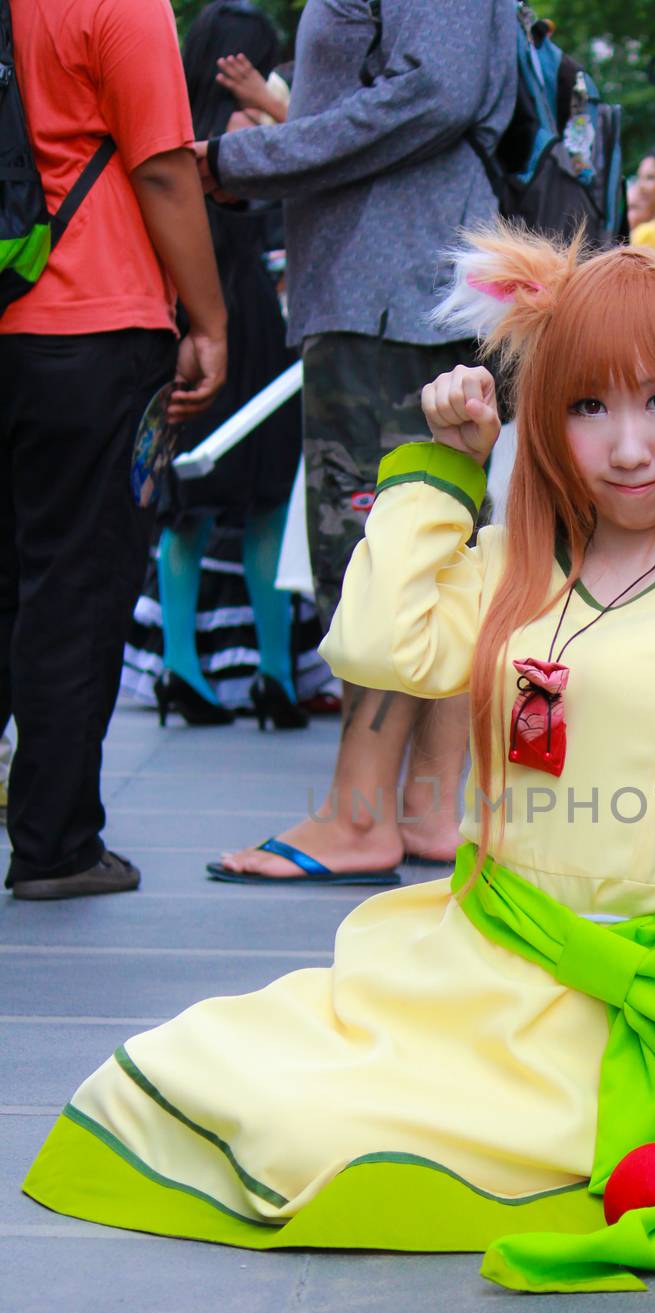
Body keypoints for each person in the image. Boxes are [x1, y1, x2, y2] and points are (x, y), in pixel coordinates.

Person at [23, 215, 655, 1288]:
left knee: (340, 1140)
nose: (626, 446)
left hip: (651, 1018)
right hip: (477, 966)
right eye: (586, 406)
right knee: (224, 1074)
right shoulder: (512, 569)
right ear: (544, 415)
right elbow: (373, 644)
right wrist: (440, 473)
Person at [193, 0, 517, 884]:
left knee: (377, 550)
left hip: (392, 287)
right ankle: (422, 807)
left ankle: (361, 814)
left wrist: (245, 156)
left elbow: (433, 94)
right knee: (440, 549)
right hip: (410, 280)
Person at [0, 0, 226, 901]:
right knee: (73, 587)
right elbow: (165, 172)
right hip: (92, 328)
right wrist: (210, 318)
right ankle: (57, 844)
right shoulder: (117, 5)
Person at [150, 0, 305, 731]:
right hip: (246, 321)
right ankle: (276, 678)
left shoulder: (171, 125)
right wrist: (269, 104)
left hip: (182, 314)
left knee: (188, 506)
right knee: (266, 501)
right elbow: (309, 172)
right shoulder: (255, 124)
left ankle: (181, 667)